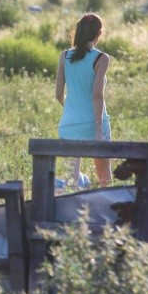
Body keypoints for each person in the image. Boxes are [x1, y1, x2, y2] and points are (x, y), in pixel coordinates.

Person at [55, 13, 112, 189]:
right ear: (99, 34)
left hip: (69, 123)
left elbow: (58, 93)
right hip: (93, 123)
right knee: (104, 177)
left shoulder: (65, 56)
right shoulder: (101, 58)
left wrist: (72, 108)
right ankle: (107, 210)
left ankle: (72, 212)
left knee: (71, 180)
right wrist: (97, 128)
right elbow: (97, 95)